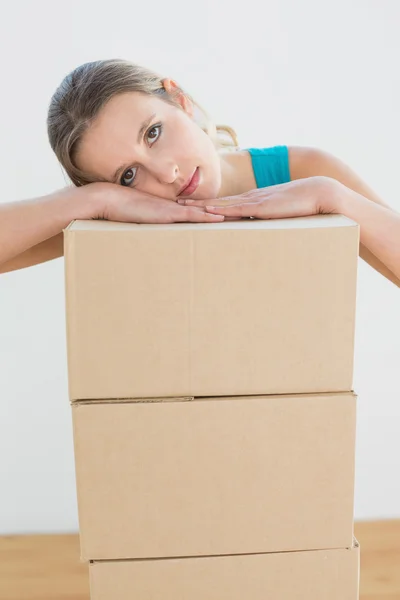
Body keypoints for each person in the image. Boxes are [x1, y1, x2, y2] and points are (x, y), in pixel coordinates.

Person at [1, 58, 399, 285]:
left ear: (179, 99)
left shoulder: (301, 169)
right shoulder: (117, 213)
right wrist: (94, 199)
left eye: (153, 133)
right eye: (128, 174)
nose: (167, 173)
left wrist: (335, 197)